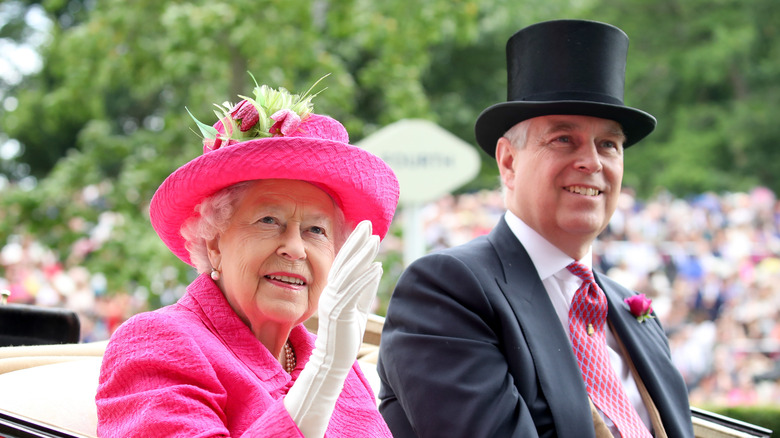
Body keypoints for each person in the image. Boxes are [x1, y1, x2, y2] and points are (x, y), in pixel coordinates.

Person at [377, 19, 694, 438]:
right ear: (508, 162)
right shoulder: (448, 290)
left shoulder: (631, 311)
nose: (593, 162)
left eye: (608, 145)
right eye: (564, 139)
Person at [96, 77, 399, 437]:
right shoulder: (156, 342)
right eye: (269, 220)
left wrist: (330, 365)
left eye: (316, 231)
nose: (295, 248)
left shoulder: (338, 363)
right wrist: (323, 374)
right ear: (214, 243)